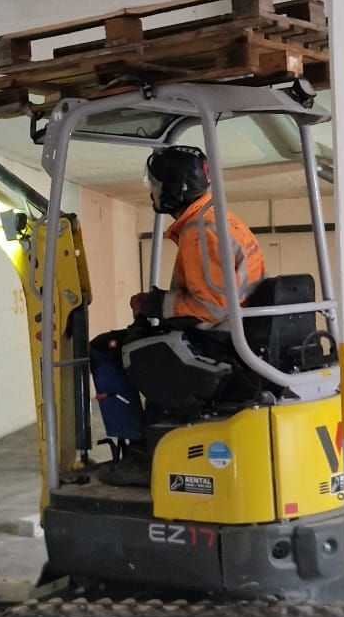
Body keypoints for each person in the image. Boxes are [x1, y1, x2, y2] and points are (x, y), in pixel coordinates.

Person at [89, 145, 266, 477]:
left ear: (174, 188)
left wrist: (156, 305)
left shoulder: (201, 232)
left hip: (218, 340)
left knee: (108, 350)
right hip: (233, 333)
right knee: (152, 349)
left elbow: (211, 307)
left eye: (155, 185)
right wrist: (162, 304)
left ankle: (142, 456)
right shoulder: (217, 217)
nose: (152, 192)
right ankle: (156, 442)